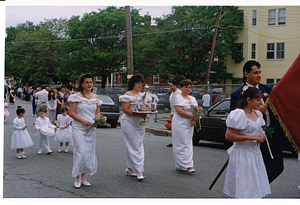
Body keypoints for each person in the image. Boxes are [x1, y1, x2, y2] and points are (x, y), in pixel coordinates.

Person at [230, 60, 285, 183]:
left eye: (260, 72)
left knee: (277, 167)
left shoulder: (268, 90)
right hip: (253, 137)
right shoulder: (238, 94)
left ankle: (258, 185)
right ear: (246, 74)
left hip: (272, 135)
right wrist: (256, 110)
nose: (259, 75)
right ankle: (254, 190)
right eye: (255, 73)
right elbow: (235, 117)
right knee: (256, 169)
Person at [223, 86, 271, 198]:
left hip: (255, 154)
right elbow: (229, 135)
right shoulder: (239, 114)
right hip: (242, 155)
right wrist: (251, 137)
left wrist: (261, 134)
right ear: (249, 100)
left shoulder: (257, 114)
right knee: (244, 187)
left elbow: (260, 129)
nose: (260, 102)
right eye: (258, 99)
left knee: (254, 186)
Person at [68, 73, 102, 188]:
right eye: (86, 82)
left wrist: (97, 121)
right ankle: (77, 176)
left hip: (91, 129)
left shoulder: (95, 97)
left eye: (91, 82)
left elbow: (97, 112)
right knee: (80, 151)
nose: (89, 84)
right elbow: (71, 113)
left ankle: (83, 177)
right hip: (78, 127)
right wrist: (82, 120)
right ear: (82, 84)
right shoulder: (76, 96)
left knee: (88, 153)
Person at [119, 73, 147, 181]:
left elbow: (147, 107)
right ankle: (139, 170)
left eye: (141, 83)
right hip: (129, 122)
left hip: (139, 123)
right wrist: (139, 114)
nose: (140, 85)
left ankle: (130, 167)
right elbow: (126, 110)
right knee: (135, 145)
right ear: (133, 84)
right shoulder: (128, 95)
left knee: (137, 144)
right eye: (138, 83)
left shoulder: (143, 95)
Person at [172, 79, 199, 173]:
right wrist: (192, 117)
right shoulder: (177, 97)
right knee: (181, 142)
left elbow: (196, 110)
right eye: (185, 87)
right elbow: (180, 111)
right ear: (181, 88)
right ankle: (183, 164)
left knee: (188, 142)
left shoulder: (192, 98)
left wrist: (194, 119)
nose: (187, 89)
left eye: (189, 87)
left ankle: (189, 164)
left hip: (189, 122)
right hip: (180, 122)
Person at [166, 80, 181, 147]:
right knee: (174, 128)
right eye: (170, 86)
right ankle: (174, 141)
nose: (170, 87)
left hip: (177, 113)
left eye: (171, 86)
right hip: (173, 113)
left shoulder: (179, 93)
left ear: (175, 86)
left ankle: (178, 142)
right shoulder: (172, 93)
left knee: (178, 128)